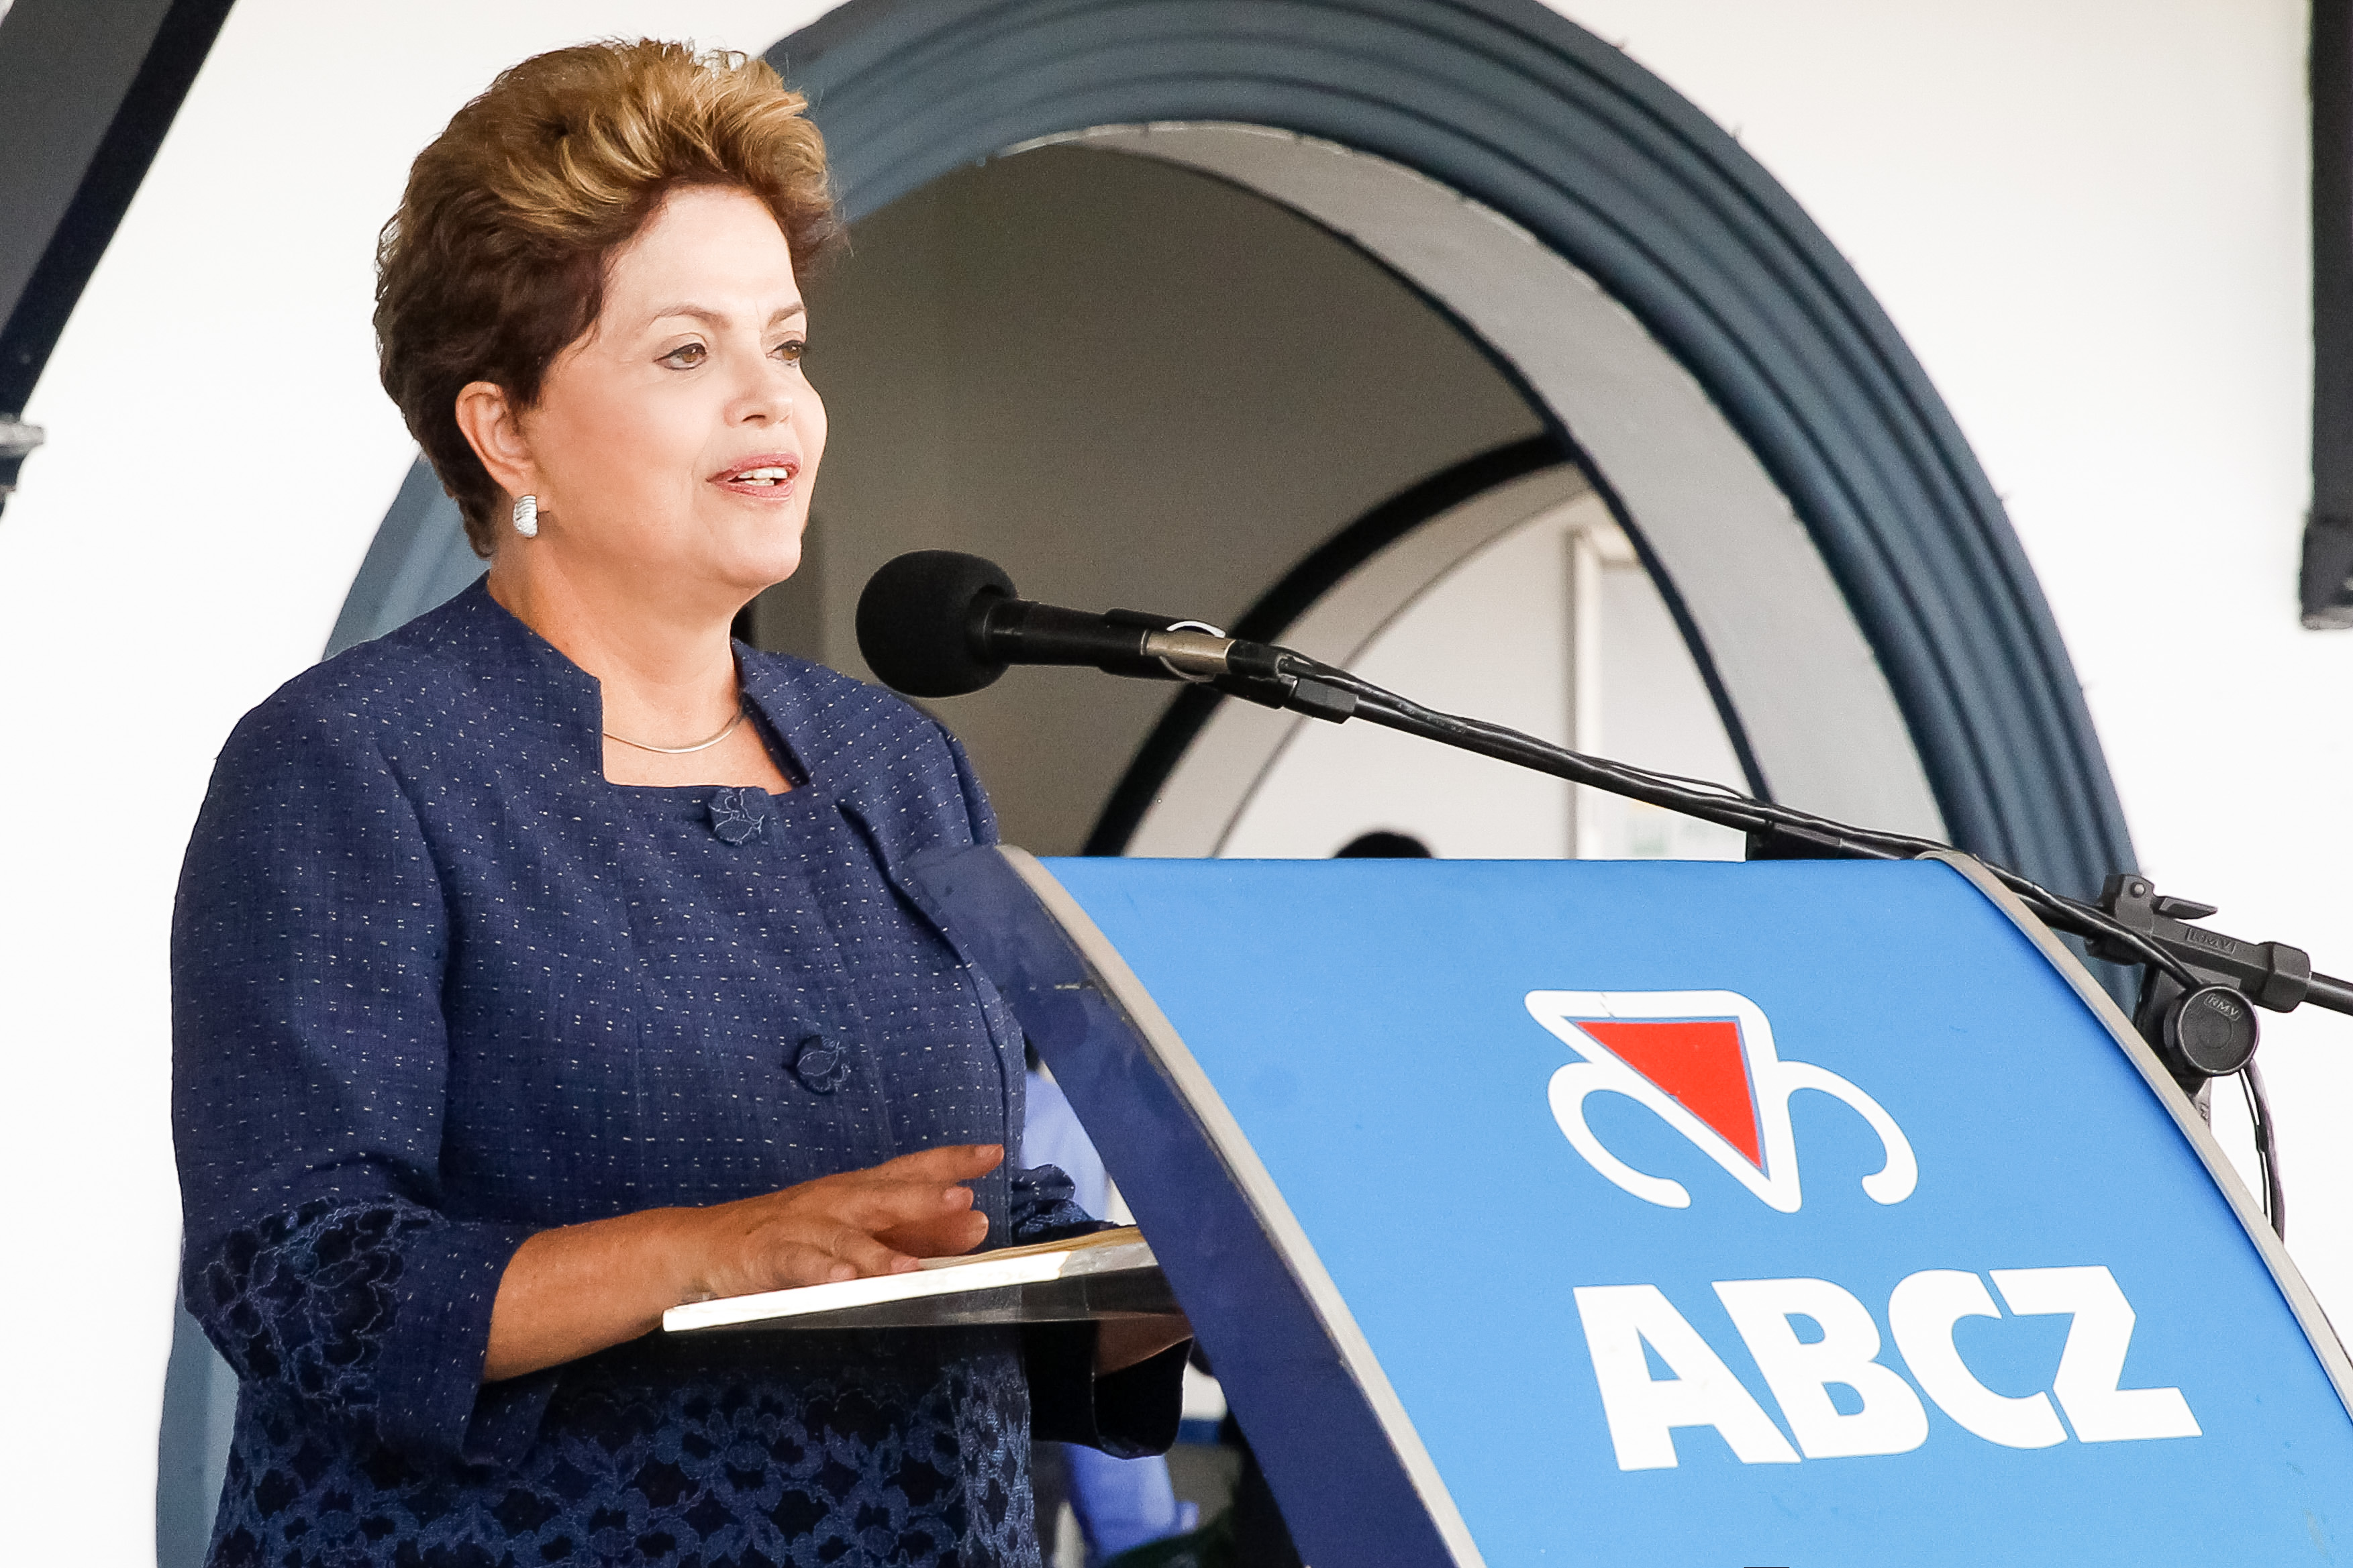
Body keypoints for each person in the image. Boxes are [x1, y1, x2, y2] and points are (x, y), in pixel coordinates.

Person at [170, 41, 1185, 1568]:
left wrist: (1198, 1278)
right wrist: (712, 1252)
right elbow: (301, 1279)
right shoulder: (351, 761)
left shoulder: (897, 761)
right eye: (685, 354)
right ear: (505, 428)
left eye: (784, 345)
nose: (771, 402)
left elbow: (968, 1213)